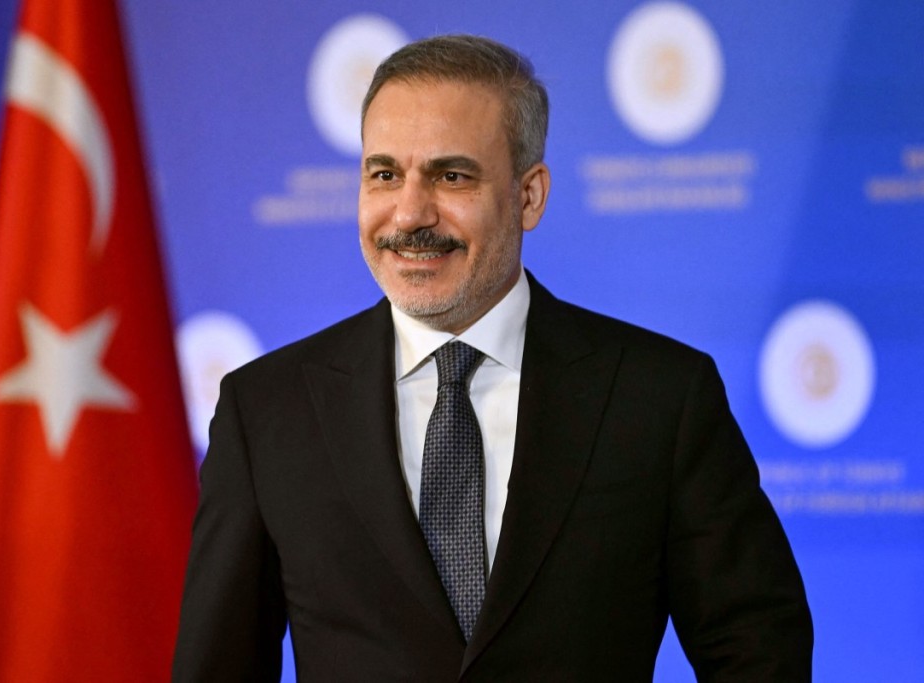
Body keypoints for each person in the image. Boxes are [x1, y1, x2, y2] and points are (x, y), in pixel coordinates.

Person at [172, 35, 813, 681]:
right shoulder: (267, 411)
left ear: (529, 195)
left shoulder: (660, 397)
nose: (410, 213)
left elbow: (759, 652)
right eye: (384, 174)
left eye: (451, 176)